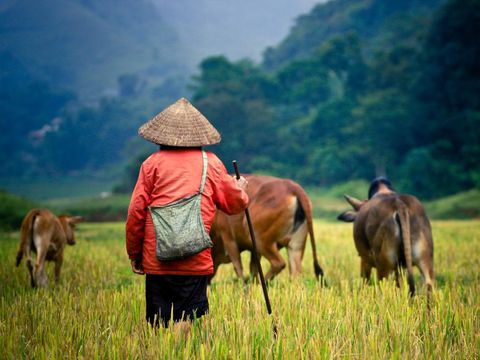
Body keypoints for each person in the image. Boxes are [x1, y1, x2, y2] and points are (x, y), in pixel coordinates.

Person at [126, 97, 249, 331]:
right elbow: (233, 204)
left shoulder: (151, 164)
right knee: (185, 317)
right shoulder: (211, 163)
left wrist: (135, 252)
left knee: (159, 319)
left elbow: (135, 212)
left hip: (156, 257)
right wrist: (240, 188)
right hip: (194, 257)